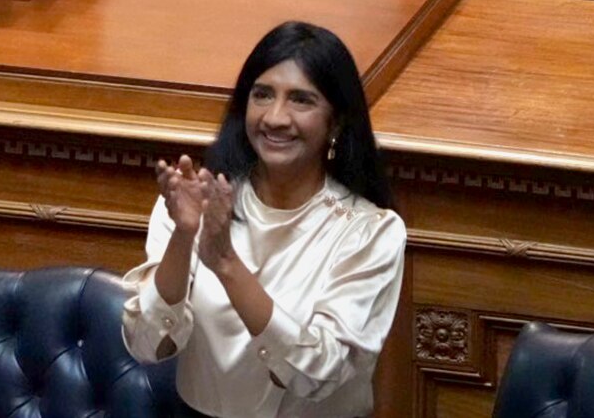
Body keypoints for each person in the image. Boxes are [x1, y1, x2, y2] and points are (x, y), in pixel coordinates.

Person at [122, 22, 405, 418]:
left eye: (301, 101)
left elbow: (317, 374)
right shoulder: (199, 203)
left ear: (336, 122)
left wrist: (226, 264)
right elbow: (147, 345)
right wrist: (184, 237)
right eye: (263, 95)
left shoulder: (369, 231)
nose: (275, 118)